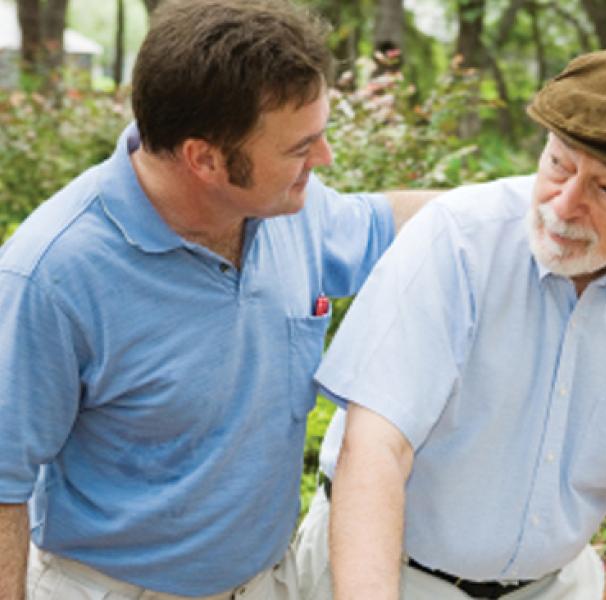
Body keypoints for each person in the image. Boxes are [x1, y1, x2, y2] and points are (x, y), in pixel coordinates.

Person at [294, 51, 606, 600]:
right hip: (390, 575)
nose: (564, 206)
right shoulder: (455, 242)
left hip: (553, 587)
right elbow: (375, 449)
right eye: (558, 166)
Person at [0, 1, 438, 599]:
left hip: (262, 582)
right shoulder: (51, 274)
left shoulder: (291, 212)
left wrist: (540, 205)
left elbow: (395, 223)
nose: (325, 160)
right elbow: (3, 483)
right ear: (203, 158)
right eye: (299, 147)